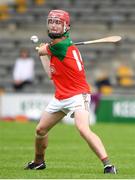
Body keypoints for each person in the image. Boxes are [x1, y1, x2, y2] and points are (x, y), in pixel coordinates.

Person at [24, 9, 117, 174]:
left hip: (78, 95)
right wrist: (42, 54)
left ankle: (108, 164)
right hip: (61, 96)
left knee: (83, 128)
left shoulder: (59, 46)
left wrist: (41, 50)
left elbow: (44, 49)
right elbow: (50, 75)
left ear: (66, 27)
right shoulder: (59, 47)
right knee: (40, 130)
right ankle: (39, 162)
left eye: (58, 23)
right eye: (51, 22)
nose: (53, 25)